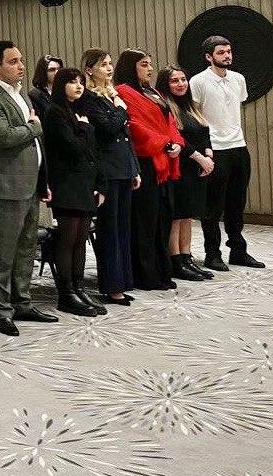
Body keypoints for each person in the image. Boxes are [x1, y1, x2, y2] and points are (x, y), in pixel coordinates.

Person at [0, 40, 56, 337]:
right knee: (2, 253)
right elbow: (4, 137)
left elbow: (29, 141)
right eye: (13, 61)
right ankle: (1, 310)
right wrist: (35, 126)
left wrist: (43, 180)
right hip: (5, 186)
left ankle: (22, 302)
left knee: (26, 248)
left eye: (21, 60)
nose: (21, 66)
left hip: (29, 183)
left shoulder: (19, 94)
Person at [190, 36, 265, 269]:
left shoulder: (238, 79)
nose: (227, 56)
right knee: (213, 206)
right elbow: (195, 116)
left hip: (238, 146)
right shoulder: (198, 81)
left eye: (229, 51)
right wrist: (204, 150)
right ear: (209, 56)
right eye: (221, 52)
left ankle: (238, 251)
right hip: (215, 148)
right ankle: (212, 253)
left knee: (237, 202)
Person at [77, 49, 140, 305]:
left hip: (123, 166)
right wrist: (121, 110)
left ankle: (124, 281)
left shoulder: (111, 94)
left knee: (124, 227)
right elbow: (107, 128)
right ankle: (112, 285)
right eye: (103, 64)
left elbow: (126, 136)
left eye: (110, 63)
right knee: (110, 229)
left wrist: (134, 168)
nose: (109, 68)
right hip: (107, 169)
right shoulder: (89, 98)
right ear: (89, 69)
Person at [42, 68, 107, 317]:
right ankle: (66, 293)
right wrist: (85, 129)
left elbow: (94, 152)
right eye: (72, 82)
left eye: (81, 82)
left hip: (84, 183)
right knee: (68, 239)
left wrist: (101, 184)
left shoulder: (79, 111)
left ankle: (78, 288)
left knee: (81, 239)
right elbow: (73, 147)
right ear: (61, 85)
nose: (79, 86)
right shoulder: (55, 112)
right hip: (66, 183)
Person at [114, 49, 181, 291]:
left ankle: (162, 270)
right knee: (145, 221)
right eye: (144, 64)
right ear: (131, 66)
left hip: (164, 160)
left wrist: (176, 142)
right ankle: (145, 274)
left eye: (150, 64)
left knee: (163, 218)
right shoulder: (123, 91)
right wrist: (164, 142)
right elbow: (134, 125)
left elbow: (169, 120)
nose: (150, 69)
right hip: (145, 161)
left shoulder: (152, 92)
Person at [158, 66, 216, 281]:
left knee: (188, 215)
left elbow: (204, 132)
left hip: (197, 167)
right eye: (175, 81)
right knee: (177, 215)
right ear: (166, 85)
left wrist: (208, 155)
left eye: (183, 79)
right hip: (180, 166)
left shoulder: (191, 106)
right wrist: (200, 158)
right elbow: (179, 140)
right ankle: (176, 260)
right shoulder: (167, 107)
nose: (181, 84)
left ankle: (187, 256)